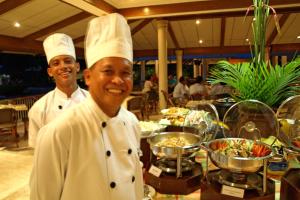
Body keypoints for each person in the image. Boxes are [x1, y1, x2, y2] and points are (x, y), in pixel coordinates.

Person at [30, 13, 143, 200]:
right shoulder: (57, 133)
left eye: (126, 72)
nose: (118, 80)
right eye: (108, 71)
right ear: (88, 76)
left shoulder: (132, 122)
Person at [28, 33, 88, 148]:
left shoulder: (94, 102)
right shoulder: (39, 109)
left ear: (77, 66)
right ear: (50, 71)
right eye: (56, 63)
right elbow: (37, 150)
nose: (63, 66)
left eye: (68, 61)